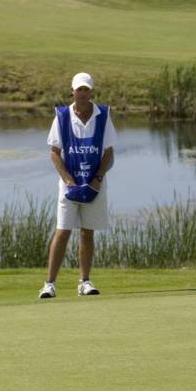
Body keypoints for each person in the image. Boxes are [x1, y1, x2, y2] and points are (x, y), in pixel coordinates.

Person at [39, 72, 117, 299]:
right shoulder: (62, 116)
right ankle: (49, 284)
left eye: (86, 89)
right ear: (72, 91)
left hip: (95, 183)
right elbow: (54, 153)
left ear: (91, 91)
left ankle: (84, 281)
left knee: (87, 232)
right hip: (69, 185)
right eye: (78, 89)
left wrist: (97, 179)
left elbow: (109, 152)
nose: (82, 93)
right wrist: (69, 181)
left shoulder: (103, 115)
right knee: (62, 231)